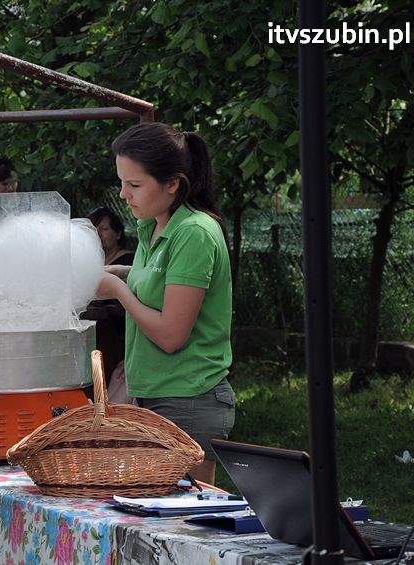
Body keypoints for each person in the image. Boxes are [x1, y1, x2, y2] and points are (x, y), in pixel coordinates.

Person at [95, 122, 235, 484]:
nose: (124, 194)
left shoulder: (194, 233)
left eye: (135, 185)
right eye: (122, 182)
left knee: (184, 526)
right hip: (155, 395)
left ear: (173, 184)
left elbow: (171, 334)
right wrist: (115, 273)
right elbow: (154, 282)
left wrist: (117, 290)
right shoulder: (153, 225)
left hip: (187, 400)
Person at [81, 207, 135, 384]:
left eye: (104, 229)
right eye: (94, 229)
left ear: (118, 233)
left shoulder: (129, 261)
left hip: (120, 338)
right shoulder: (86, 263)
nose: (98, 234)